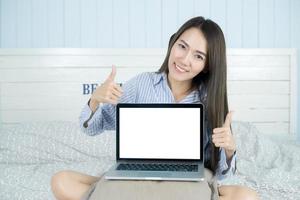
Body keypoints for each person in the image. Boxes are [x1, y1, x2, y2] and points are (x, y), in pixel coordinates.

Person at [51, 16, 259, 200]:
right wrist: (95, 100)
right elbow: (91, 128)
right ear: (172, 44)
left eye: (198, 56)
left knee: (247, 197)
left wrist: (229, 150)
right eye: (182, 46)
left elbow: (222, 174)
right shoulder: (141, 84)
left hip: (188, 182)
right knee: (60, 181)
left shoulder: (210, 99)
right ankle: (120, 183)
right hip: (138, 175)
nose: (184, 60)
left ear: (207, 65)